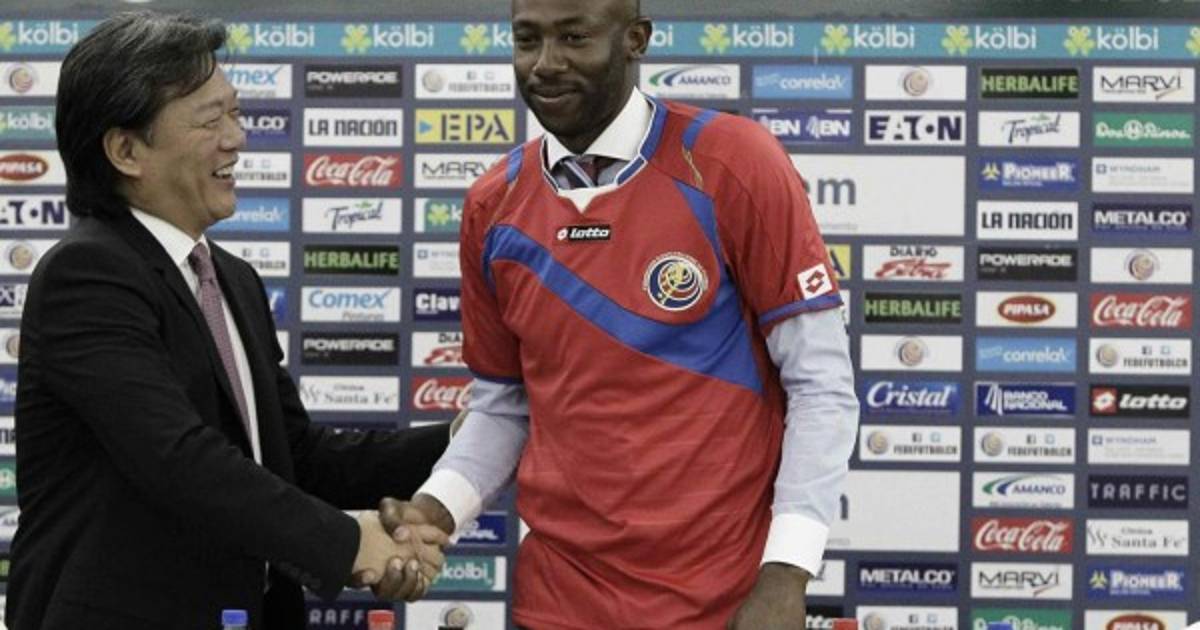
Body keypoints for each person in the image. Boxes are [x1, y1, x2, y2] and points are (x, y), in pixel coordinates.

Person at [384, 0, 860, 627]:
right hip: (556, 604)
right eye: (527, 40)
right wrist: (434, 510)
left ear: (635, 39)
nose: (545, 64)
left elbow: (820, 385)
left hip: (722, 603)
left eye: (574, 37)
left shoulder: (733, 162)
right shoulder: (492, 204)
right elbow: (503, 405)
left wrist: (787, 573)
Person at [6, 12, 446, 630]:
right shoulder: (87, 274)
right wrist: (351, 544)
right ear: (126, 150)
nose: (236, 139)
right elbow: (178, 459)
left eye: (235, 114)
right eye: (211, 120)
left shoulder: (231, 279)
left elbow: (294, 458)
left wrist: (463, 440)